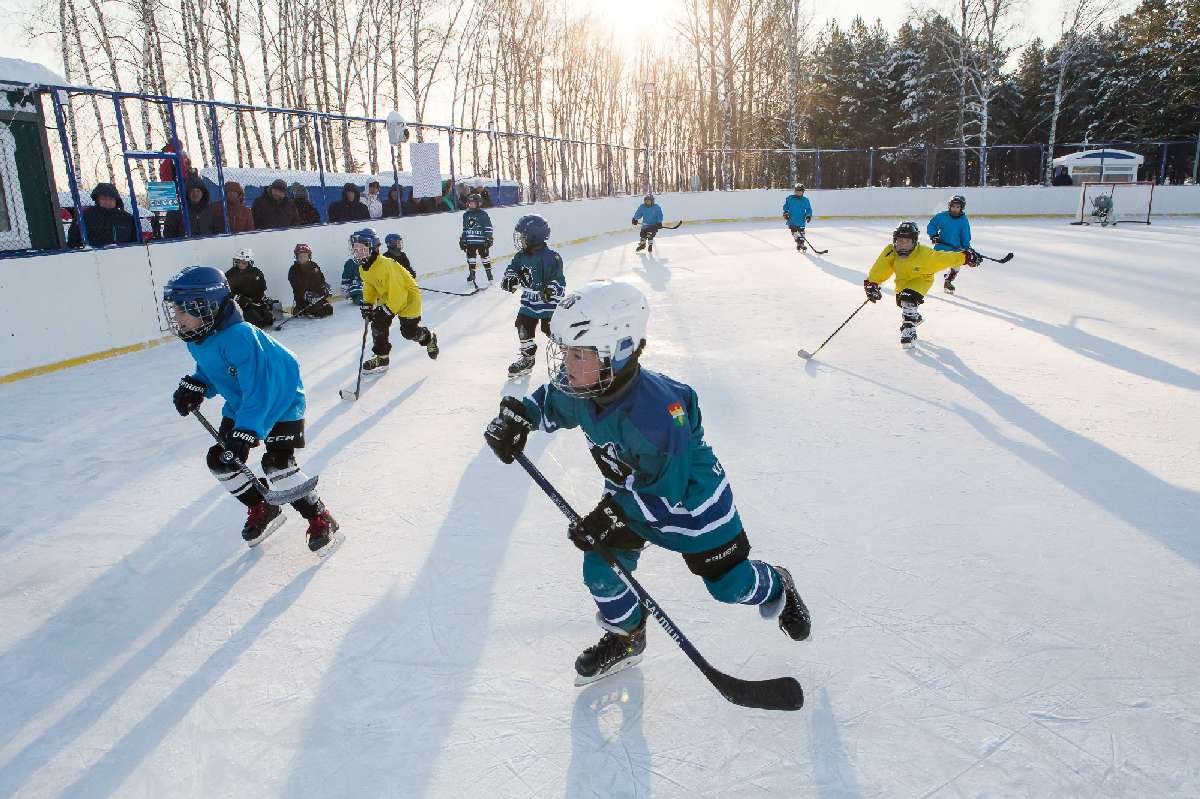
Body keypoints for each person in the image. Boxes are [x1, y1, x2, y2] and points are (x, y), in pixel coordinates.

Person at [483, 279, 811, 686]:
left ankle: (777, 581)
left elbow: (665, 493)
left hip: (694, 511)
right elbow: (551, 401)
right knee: (600, 570)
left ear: (617, 352)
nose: (567, 364)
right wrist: (520, 416)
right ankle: (627, 638)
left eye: (579, 354)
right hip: (629, 500)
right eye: (566, 352)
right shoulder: (588, 386)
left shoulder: (658, 415)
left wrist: (609, 517)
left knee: (731, 586)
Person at [164, 265, 339, 552]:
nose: (178, 319)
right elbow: (218, 370)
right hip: (243, 405)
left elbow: (260, 389)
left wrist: (245, 432)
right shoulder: (200, 338)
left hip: (280, 402)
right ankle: (263, 507)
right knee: (221, 461)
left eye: (184, 311)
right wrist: (198, 385)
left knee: (277, 465)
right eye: (176, 311)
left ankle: (320, 517)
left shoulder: (240, 337)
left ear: (208, 307)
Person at [863, 222, 981, 349]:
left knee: (908, 298)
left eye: (907, 241)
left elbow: (946, 258)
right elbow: (881, 267)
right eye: (899, 240)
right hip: (902, 283)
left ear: (914, 242)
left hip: (922, 280)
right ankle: (914, 317)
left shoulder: (925, 255)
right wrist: (873, 283)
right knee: (902, 301)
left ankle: (909, 329)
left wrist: (966, 258)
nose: (902, 244)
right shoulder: (891, 252)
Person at [350, 227, 439, 373]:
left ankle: (428, 338)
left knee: (409, 333)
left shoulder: (386, 266)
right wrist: (367, 304)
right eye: (355, 249)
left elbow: (399, 295)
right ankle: (382, 358)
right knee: (378, 324)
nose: (358, 253)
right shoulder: (363, 268)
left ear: (372, 248)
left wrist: (384, 311)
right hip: (389, 297)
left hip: (408, 298)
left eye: (362, 249)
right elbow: (370, 286)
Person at [501, 214, 564, 378]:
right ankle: (528, 359)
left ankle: (571, 356)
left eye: (523, 236)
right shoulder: (520, 256)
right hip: (529, 303)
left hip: (549, 306)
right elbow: (511, 270)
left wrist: (551, 289)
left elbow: (559, 280)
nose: (520, 240)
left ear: (534, 237)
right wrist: (509, 279)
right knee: (522, 325)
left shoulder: (552, 257)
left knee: (552, 330)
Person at [66, 182, 136, 247]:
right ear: (97, 199)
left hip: (123, 255)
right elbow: (73, 239)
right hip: (93, 256)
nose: (108, 202)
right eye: (104, 198)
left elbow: (135, 241)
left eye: (111, 199)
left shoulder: (127, 218)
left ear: (116, 200)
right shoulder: (85, 216)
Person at [927, 195, 972, 294]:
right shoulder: (942, 216)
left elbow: (965, 235)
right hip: (941, 247)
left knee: (956, 267)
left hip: (956, 249)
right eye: (953, 206)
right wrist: (934, 235)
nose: (955, 209)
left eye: (957, 207)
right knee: (931, 265)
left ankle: (948, 281)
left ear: (961, 208)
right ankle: (920, 279)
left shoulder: (963, 221)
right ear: (949, 206)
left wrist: (966, 248)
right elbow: (932, 225)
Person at [225, 248, 277, 329]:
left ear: (249, 262)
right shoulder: (230, 274)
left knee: (269, 320)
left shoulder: (257, 272)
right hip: (241, 305)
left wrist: (263, 300)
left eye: (244, 262)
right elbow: (227, 292)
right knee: (257, 323)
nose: (241, 264)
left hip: (255, 303)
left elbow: (262, 289)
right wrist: (240, 299)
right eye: (238, 262)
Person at [287, 244, 333, 318]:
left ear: (309, 256)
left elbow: (322, 280)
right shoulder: (293, 270)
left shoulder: (314, 265)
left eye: (305, 256)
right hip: (303, 301)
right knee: (319, 312)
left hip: (318, 298)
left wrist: (325, 287)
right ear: (296, 257)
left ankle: (318, 306)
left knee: (329, 310)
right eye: (300, 256)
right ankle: (300, 310)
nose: (302, 258)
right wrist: (307, 294)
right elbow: (297, 287)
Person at [459, 192, 494, 286]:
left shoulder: (483, 214)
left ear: (478, 203)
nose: (471, 204)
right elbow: (465, 229)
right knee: (471, 259)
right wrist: (463, 239)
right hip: (470, 242)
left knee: (485, 258)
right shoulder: (465, 215)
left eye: (473, 202)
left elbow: (488, 227)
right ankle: (472, 275)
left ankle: (489, 276)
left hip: (482, 242)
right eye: (469, 202)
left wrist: (488, 238)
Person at [782, 183, 813, 252]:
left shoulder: (805, 200)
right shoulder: (790, 198)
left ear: (803, 192)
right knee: (794, 232)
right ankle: (799, 243)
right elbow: (785, 207)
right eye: (797, 191)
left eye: (800, 191)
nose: (798, 192)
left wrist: (808, 216)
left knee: (801, 233)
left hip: (801, 220)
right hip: (791, 219)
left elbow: (808, 209)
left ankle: (801, 243)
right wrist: (785, 213)